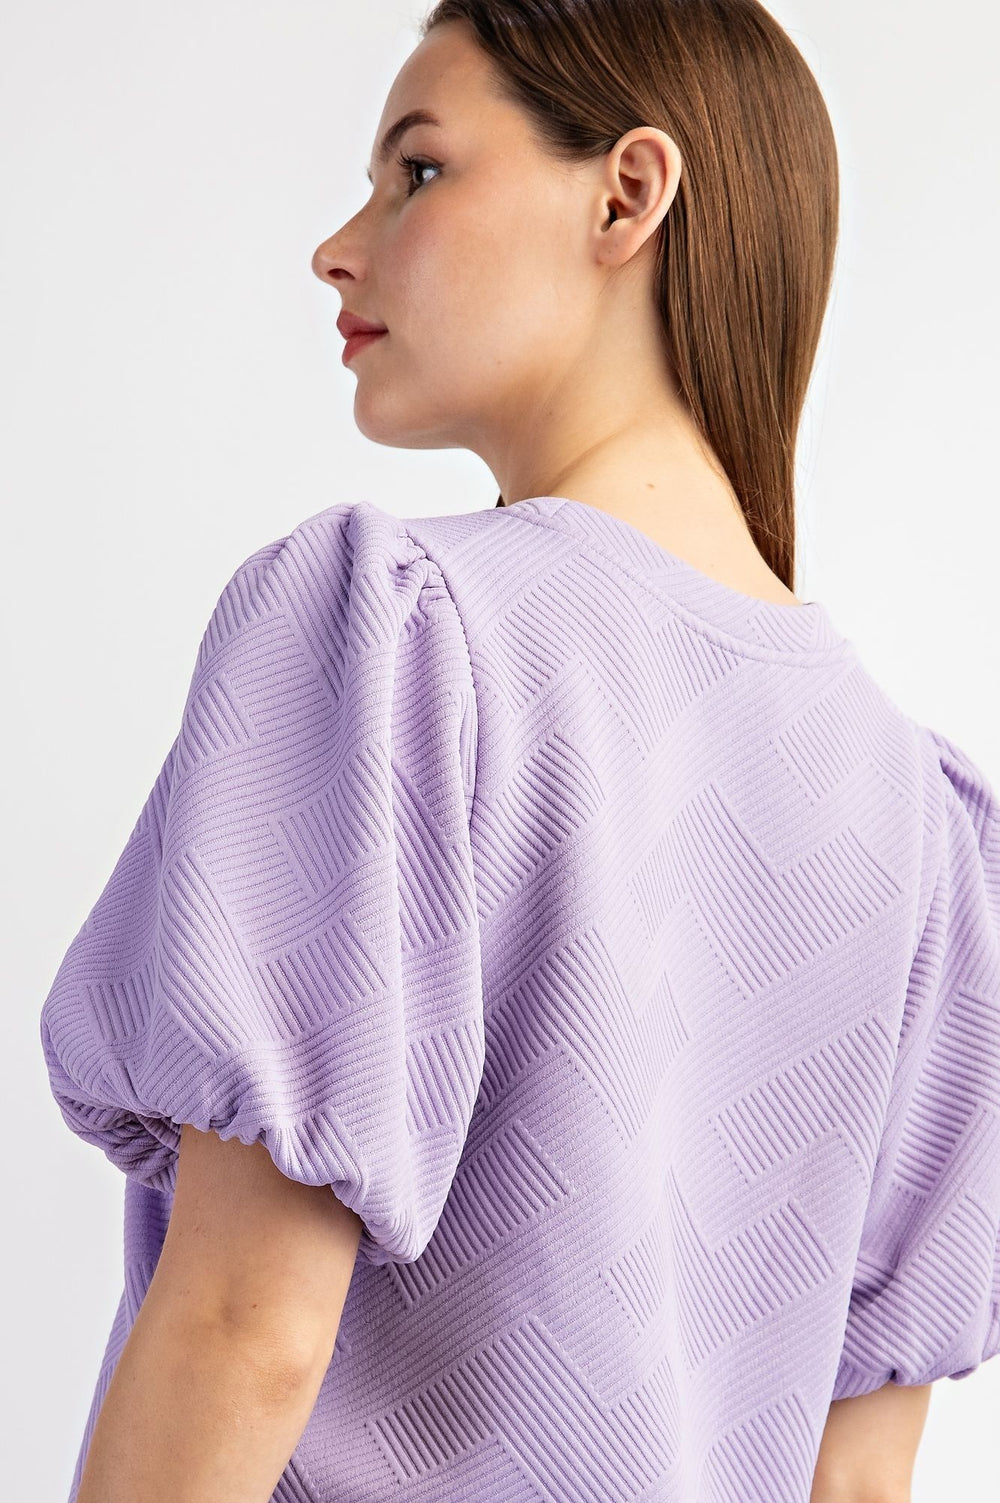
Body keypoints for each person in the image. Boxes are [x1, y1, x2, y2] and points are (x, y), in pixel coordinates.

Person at [39, 4, 998, 1502]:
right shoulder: (923, 825)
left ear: (628, 195)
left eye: (417, 171)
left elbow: (243, 1332)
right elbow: (863, 1481)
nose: (337, 248)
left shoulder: (394, 638)